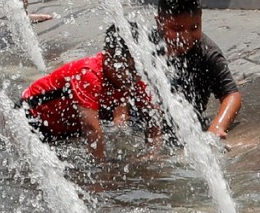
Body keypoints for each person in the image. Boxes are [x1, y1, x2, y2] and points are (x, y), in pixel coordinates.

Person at [16, 24, 159, 159]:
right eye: (128, 69)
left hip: (67, 129)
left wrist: (151, 155)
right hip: (32, 119)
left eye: (137, 70)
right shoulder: (89, 74)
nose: (134, 76)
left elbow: (154, 116)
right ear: (108, 58)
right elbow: (91, 129)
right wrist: (103, 171)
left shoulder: (133, 75)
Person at [155, 0, 241, 138]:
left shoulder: (207, 53)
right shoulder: (147, 46)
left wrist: (217, 126)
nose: (186, 36)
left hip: (187, 124)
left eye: (194, 28)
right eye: (177, 29)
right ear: (159, 23)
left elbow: (232, 96)